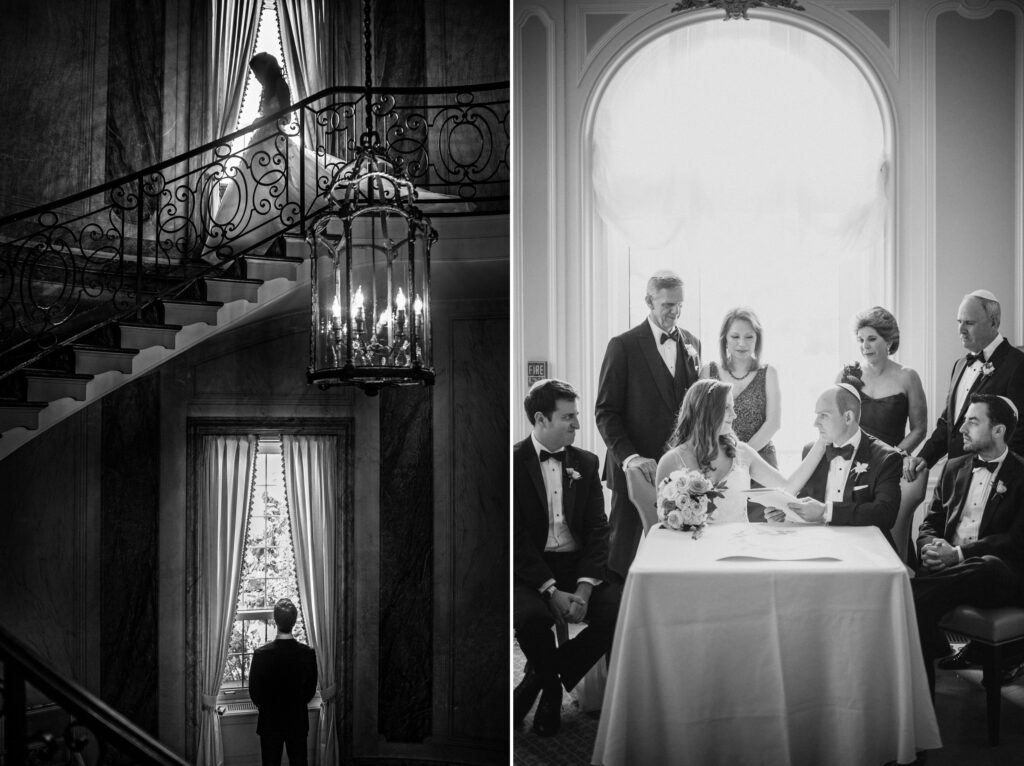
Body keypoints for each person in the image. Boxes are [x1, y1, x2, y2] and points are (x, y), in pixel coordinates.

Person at [513, 379, 622, 737]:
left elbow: (597, 530)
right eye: (569, 417)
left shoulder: (587, 464)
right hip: (532, 571)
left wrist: (584, 589)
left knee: (620, 610)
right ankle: (549, 691)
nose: (578, 424)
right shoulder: (511, 463)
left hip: (579, 570)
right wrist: (549, 589)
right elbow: (514, 538)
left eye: (577, 416)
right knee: (529, 619)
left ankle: (542, 677)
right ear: (541, 419)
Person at [910, 395, 1024, 694]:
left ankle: (906, 594)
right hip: (952, 575)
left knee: (986, 565)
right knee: (921, 608)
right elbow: (930, 522)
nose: (962, 428)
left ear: (998, 431)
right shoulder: (954, 467)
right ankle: (924, 704)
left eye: (973, 421)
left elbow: (1014, 542)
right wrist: (931, 546)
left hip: (1002, 577)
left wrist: (956, 555)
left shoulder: (1022, 474)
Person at [596, 270, 701, 579]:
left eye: (680, 304)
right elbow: (606, 411)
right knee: (621, 552)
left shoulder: (692, 343)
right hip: (635, 469)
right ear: (648, 301)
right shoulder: (623, 345)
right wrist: (630, 458)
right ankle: (613, 620)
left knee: (679, 547)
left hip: (682, 472)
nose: (676, 312)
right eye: (668, 304)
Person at [656, 379, 823, 521]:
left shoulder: (742, 453)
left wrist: (822, 442)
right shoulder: (672, 461)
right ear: (706, 411)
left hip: (740, 548)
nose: (734, 415)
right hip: (693, 550)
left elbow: (787, 487)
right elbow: (664, 520)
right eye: (727, 408)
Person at [838, 306, 928, 557]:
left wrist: (892, 456)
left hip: (890, 467)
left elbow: (920, 428)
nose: (865, 346)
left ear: (889, 340)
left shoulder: (907, 376)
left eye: (872, 339)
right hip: (853, 467)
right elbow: (834, 423)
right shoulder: (848, 375)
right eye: (861, 340)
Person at [906, 289, 1024, 477]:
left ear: (994, 322)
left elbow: (1019, 430)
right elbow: (948, 424)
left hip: (996, 480)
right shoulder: (959, 365)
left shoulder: (1018, 364)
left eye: (969, 323)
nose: (960, 330)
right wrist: (925, 458)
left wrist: (1002, 476)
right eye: (959, 322)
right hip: (956, 478)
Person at [769, 384, 903, 548]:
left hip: (866, 548)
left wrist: (827, 511)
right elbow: (806, 502)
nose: (815, 423)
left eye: (823, 415)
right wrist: (786, 514)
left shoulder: (886, 458)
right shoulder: (811, 452)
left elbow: (885, 514)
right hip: (815, 546)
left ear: (848, 417)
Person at [701, 307, 780, 467]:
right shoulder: (708, 371)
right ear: (725, 339)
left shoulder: (768, 373)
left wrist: (741, 457)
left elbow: (773, 423)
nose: (742, 343)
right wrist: (724, 459)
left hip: (760, 460)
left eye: (749, 337)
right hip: (717, 460)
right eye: (735, 336)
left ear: (757, 339)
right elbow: (701, 421)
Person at [248, 598, 318, 766]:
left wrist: (269, 707)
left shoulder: (261, 654)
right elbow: (310, 690)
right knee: (299, 762)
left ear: (275, 620)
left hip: (270, 721)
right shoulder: (307, 654)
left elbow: (254, 692)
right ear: (294, 621)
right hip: (297, 720)